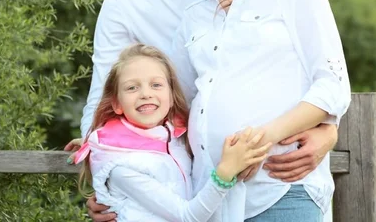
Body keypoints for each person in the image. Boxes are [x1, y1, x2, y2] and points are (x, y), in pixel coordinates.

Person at [66, 0, 342, 222]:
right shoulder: (176, 7)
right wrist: (107, 180)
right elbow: (113, 96)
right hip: (206, 192)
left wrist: (328, 128)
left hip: (276, 184)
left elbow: (325, 77)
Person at [169, 0, 351, 221]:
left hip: (280, 190)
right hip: (212, 198)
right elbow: (178, 102)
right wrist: (111, 151)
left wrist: (260, 142)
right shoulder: (196, 12)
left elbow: (332, 85)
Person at [74, 44, 272, 222]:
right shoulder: (121, 165)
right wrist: (226, 172)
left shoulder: (174, 137)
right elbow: (187, 217)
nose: (145, 93)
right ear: (117, 104)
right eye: (132, 87)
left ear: (170, 94)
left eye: (156, 85)